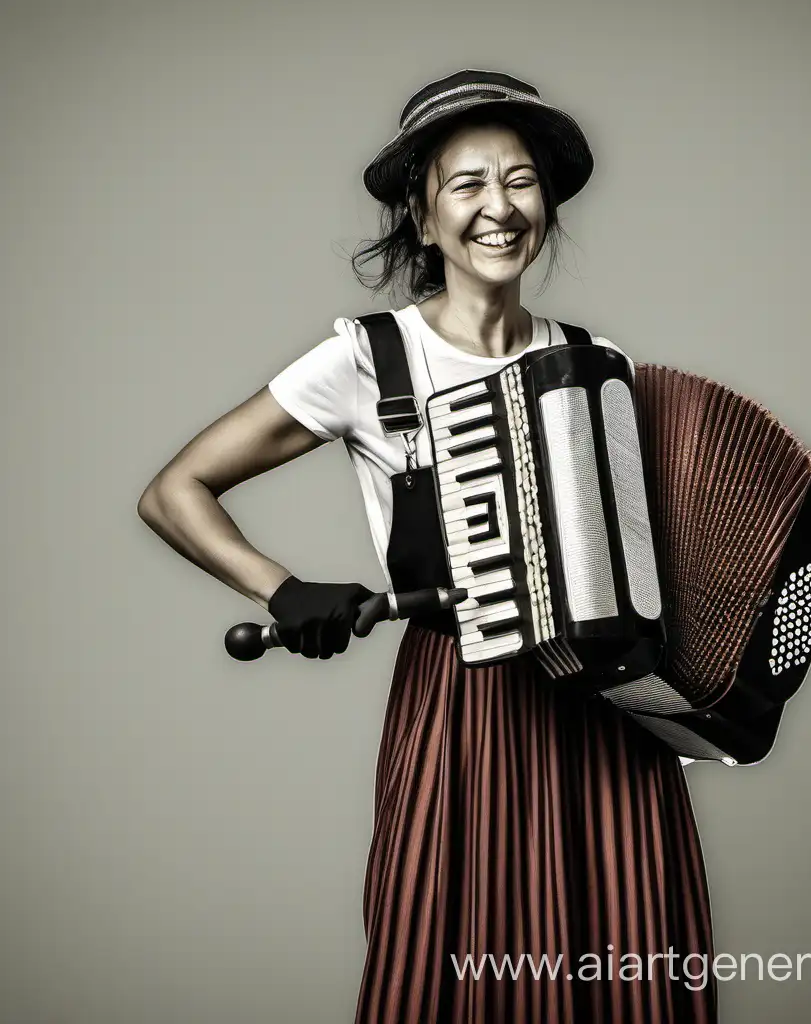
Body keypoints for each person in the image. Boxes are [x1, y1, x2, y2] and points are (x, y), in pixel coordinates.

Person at [138, 69, 716, 1023]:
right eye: (468, 184)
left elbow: (647, 554)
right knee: (448, 968)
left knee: (631, 967)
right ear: (421, 213)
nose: (500, 208)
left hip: (608, 713)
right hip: (464, 706)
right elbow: (174, 493)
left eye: (521, 180)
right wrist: (282, 591)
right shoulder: (370, 359)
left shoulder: (593, 364)